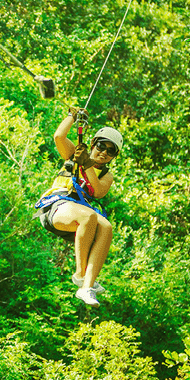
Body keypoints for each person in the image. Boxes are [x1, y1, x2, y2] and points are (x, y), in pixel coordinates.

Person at [36, 108, 123, 308]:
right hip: (56, 205)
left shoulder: (105, 175)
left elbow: (98, 191)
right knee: (89, 217)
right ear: (93, 144)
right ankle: (80, 273)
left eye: (110, 151)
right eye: (101, 146)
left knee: (106, 227)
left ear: (113, 156)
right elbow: (59, 136)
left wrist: (88, 164)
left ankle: (87, 286)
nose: (104, 153)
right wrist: (72, 117)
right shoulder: (73, 154)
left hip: (79, 209)